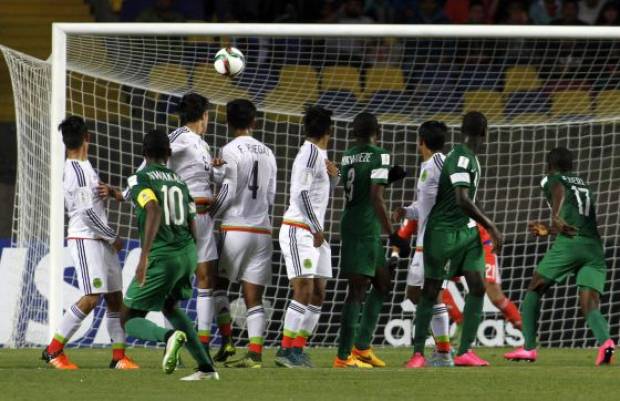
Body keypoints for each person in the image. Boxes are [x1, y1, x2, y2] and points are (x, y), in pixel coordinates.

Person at [128, 93, 229, 360]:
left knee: (205, 280)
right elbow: (146, 166)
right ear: (204, 116)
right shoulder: (180, 137)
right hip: (184, 217)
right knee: (189, 284)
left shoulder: (201, 144)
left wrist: (217, 171)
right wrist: (131, 192)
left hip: (203, 217)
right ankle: (180, 340)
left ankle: (200, 342)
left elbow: (208, 177)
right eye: (208, 115)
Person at [121, 129, 218, 381]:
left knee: (128, 318)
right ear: (169, 153)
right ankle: (206, 369)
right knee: (170, 305)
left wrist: (143, 257)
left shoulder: (139, 178)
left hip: (161, 256)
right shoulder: (178, 180)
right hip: (187, 252)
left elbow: (152, 211)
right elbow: (192, 220)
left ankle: (168, 337)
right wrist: (191, 257)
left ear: (144, 153)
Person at [407, 111, 502, 368]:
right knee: (430, 290)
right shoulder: (460, 158)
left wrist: (480, 225)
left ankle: (464, 352)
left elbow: (469, 198)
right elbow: (461, 199)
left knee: (478, 285)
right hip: (443, 232)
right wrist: (490, 225)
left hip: (466, 231)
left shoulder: (468, 157)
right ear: (485, 131)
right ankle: (418, 354)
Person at [42, 116, 138, 370]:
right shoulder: (75, 171)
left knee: (115, 297)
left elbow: (90, 202)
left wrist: (105, 191)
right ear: (88, 138)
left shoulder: (84, 166)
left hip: (99, 240)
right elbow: (86, 213)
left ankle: (118, 357)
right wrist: (112, 236)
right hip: (86, 239)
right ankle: (53, 351)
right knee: (92, 297)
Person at [504, 147, 615, 365]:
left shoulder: (552, 179)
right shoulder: (583, 184)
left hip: (570, 245)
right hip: (594, 247)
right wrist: (551, 229)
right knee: (589, 301)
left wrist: (554, 219)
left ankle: (528, 348)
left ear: (549, 166)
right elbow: (577, 219)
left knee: (535, 287)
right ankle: (606, 343)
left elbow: (558, 192)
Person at [334, 112, 408, 368]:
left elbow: (356, 184)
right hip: (364, 227)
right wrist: (394, 234)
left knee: (383, 283)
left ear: (354, 133)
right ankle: (343, 357)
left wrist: (388, 176)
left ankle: (362, 347)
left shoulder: (347, 155)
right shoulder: (381, 154)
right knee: (356, 290)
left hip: (357, 223)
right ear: (379, 130)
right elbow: (376, 196)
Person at [210, 99, 278, 368]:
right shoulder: (269, 152)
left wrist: (210, 213)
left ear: (227, 123)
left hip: (235, 227)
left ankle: (227, 341)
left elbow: (227, 190)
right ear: (254, 123)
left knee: (218, 286)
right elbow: (271, 195)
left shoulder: (229, 149)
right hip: (262, 229)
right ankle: (255, 354)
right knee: (253, 297)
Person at [276, 106, 339, 368]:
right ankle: (285, 350)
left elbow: (317, 193)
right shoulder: (309, 154)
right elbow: (300, 194)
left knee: (318, 294)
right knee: (303, 289)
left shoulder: (319, 155)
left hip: (314, 232)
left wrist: (334, 179)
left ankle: (298, 348)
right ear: (329, 131)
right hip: (299, 228)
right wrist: (315, 227)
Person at [392, 120, 452, 367]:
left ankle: (442, 353)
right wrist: (406, 210)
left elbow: (455, 198)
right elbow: (425, 206)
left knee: (428, 294)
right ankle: (443, 351)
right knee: (417, 294)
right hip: (423, 242)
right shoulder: (427, 165)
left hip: (435, 242)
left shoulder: (440, 164)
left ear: (422, 141)